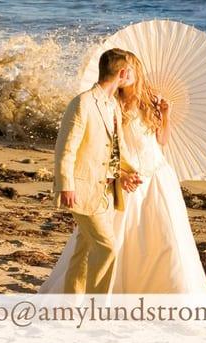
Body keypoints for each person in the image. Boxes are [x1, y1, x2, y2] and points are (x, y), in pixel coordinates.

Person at [38, 48, 142, 294]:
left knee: (83, 251)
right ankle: (97, 310)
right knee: (107, 248)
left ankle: (70, 306)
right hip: (82, 189)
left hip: (105, 191)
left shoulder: (112, 105)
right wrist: (66, 185)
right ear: (122, 72)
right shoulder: (82, 103)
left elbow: (116, 148)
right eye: (131, 71)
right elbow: (66, 148)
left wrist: (126, 173)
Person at [109, 51, 206, 295]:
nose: (125, 75)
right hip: (130, 174)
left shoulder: (151, 101)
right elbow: (112, 144)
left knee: (165, 236)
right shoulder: (113, 103)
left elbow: (162, 140)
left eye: (129, 70)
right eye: (120, 71)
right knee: (124, 234)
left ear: (137, 72)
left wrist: (165, 115)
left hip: (157, 173)